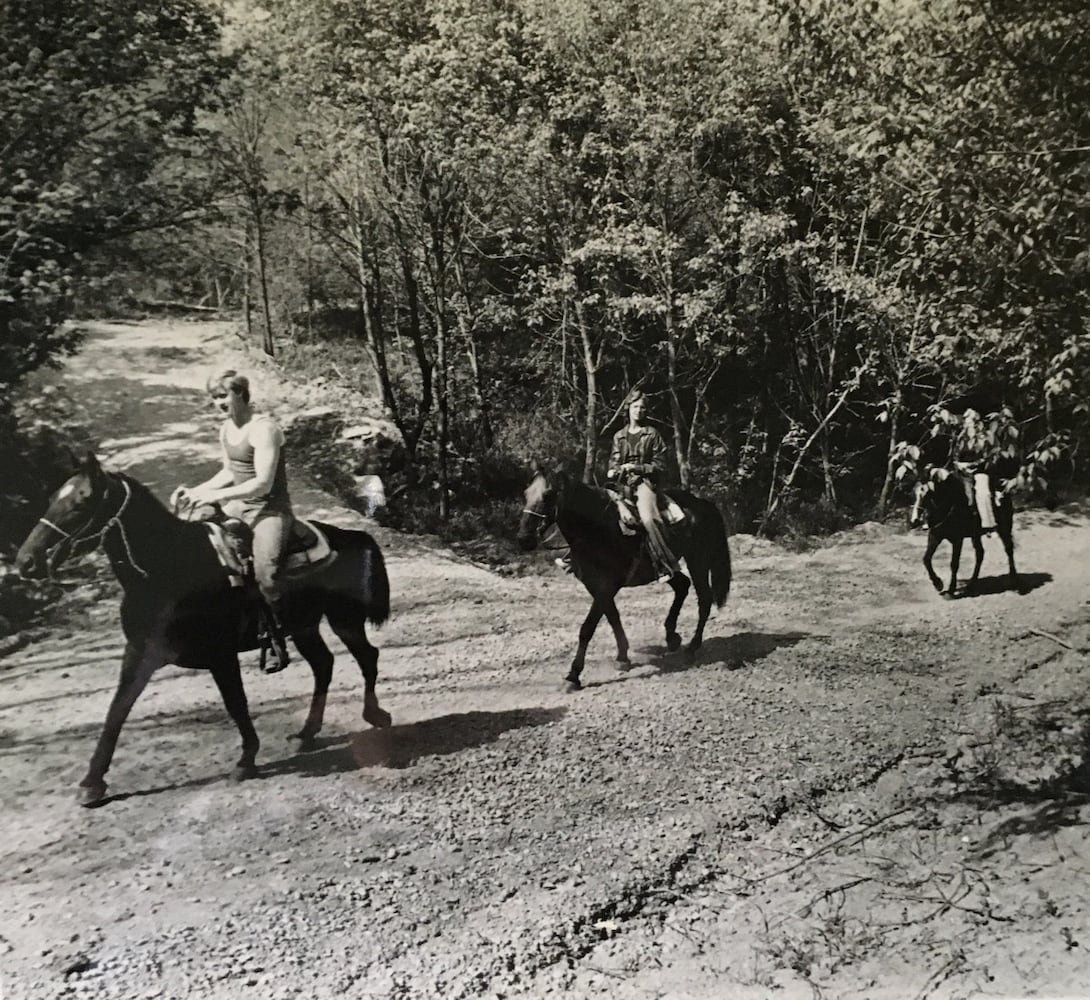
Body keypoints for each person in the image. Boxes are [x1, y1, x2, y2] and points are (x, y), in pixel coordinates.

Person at [176, 370, 293, 671]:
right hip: (238, 506)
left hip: (269, 510)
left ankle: (283, 630)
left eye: (223, 396)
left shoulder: (264, 429)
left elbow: (263, 484)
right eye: (214, 398)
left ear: (241, 393)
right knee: (201, 543)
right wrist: (195, 492)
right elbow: (230, 471)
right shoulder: (227, 429)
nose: (218, 403)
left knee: (267, 573)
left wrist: (214, 494)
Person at [606, 390, 680, 581]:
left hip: (645, 483)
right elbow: (613, 461)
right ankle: (575, 559)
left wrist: (637, 468)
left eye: (642, 407)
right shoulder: (618, 436)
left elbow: (661, 466)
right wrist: (614, 470)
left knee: (647, 518)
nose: (638, 411)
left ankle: (667, 566)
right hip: (622, 484)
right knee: (595, 509)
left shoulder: (652, 434)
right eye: (635, 406)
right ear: (628, 409)